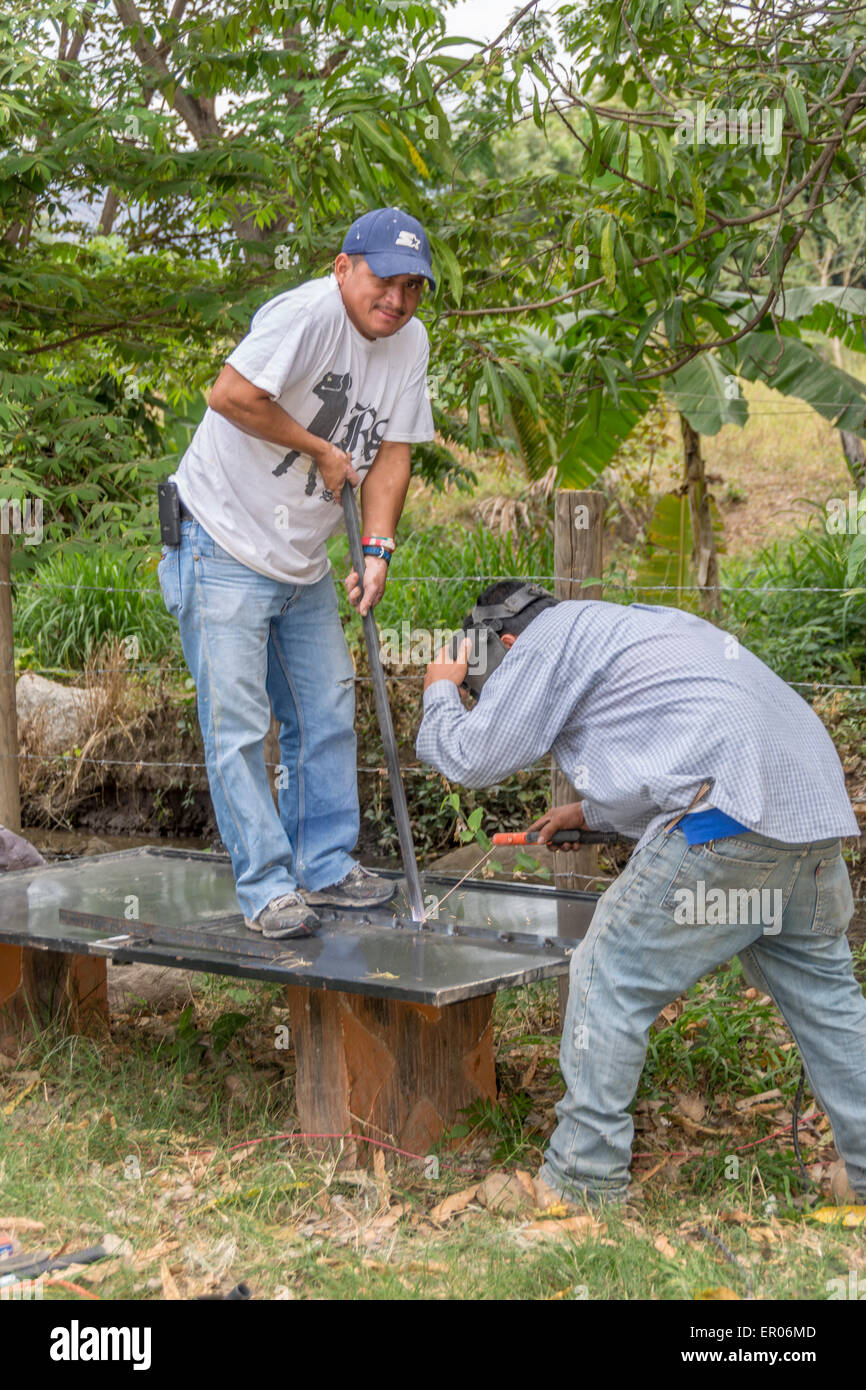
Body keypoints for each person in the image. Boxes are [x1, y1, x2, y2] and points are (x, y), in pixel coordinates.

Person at [416, 580, 866, 1207]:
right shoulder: (628, 628)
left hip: (727, 817)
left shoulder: (540, 646)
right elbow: (673, 739)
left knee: (610, 968)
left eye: (480, 684)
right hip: (809, 819)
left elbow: (468, 758)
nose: (482, 695)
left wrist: (441, 683)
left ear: (506, 645)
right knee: (827, 1000)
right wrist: (591, 815)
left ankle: (581, 1183)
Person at [158, 208, 436, 939]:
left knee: (325, 709)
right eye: (384, 279)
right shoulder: (307, 315)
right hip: (219, 539)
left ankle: (325, 864)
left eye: (413, 287)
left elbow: (394, 451)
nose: (398, 300)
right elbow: (229, 394)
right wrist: (317, 446)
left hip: (302, 557)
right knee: (239, 727)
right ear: (344, 267)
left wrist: (376, 548)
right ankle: (267, 888)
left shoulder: (410, 343)